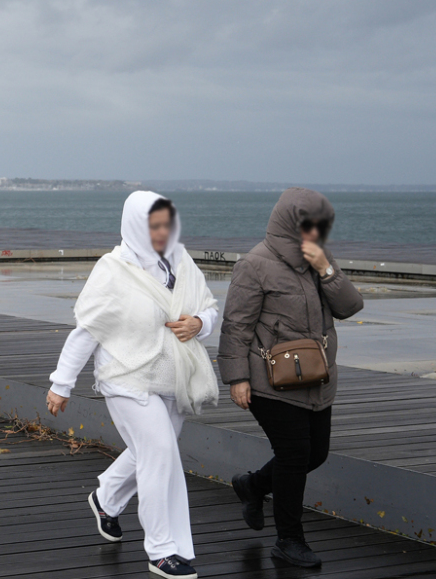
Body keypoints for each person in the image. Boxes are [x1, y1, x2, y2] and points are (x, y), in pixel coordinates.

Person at [46, 191, 219, 579]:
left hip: (172, 377)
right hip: (125, 376)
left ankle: (106, 498)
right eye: (153, 226)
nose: (162, 233)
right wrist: (62, 384)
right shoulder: (113, 270)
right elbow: (87, 331)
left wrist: (200, 324)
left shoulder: (181, 260)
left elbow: (208, 307)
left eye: (166, 225)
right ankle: (161, 549)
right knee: (159, 453)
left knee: (152, 451)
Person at [218, 188, 364, 569]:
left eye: (321, 224)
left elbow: (350, 307)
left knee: (316, 453)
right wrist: (236, 378)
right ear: (290, 222)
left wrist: (326, 271)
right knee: (295, 454)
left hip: (317, 377)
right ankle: (289, 540)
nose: (317, 231)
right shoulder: (255, 264)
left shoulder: (321, 259)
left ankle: (252, 485)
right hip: (270, 380)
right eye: (309, 224)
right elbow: (236, 325)